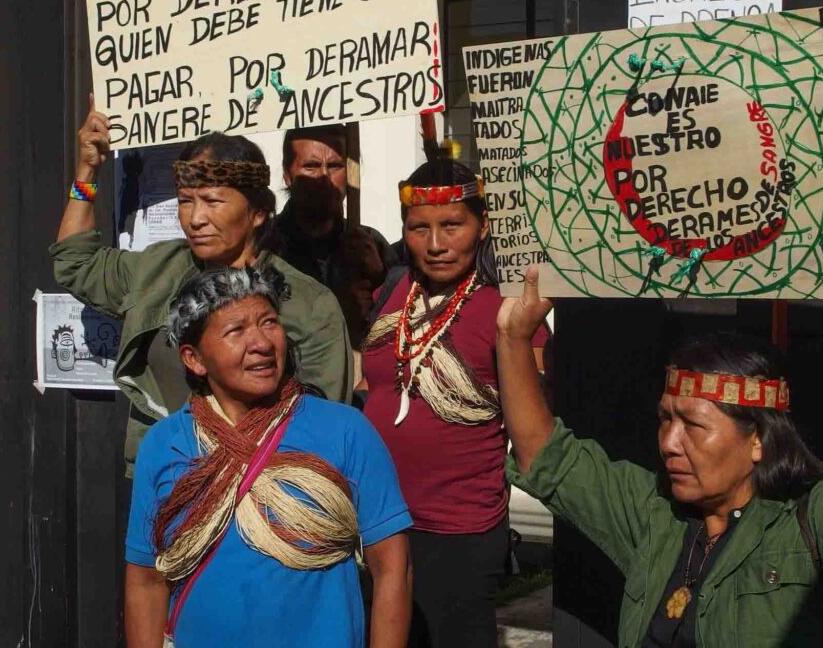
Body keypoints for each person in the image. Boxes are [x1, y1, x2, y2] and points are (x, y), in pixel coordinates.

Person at [497, 268, 823, 647]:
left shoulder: (812, 523)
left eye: (694, 425)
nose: (670, 442)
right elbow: (546, 460)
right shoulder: (655, 514)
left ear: (758, 440)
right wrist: (513, 337)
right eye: (665, 420)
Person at [51, 99, 353, 475]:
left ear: (258, 213)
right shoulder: (158, 268)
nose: (195, 218)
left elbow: (328, 427)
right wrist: (87, 172)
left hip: (266, 492)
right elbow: (74, 263)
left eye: (212, 201)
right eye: (185, 201)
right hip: (167, 479)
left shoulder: (309, 303)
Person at [124, 266, 412, 648]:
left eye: (269, 323)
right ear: (194, 359)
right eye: (236, 331)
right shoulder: (165, 445)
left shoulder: (345, 431)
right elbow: (146, 583)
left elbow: (394, 568)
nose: (261, 342)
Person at [361, 159, 549, 648]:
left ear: (483, 226)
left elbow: (536, 421)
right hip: (379, 521)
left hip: (458, 531)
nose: (436, 244)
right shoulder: (394, 291)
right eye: (419, 228)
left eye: (452, 226)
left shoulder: (509, 310)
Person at [276, 124, 399, 347]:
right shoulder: (266, 246)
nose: (324, 177)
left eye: (335, 165)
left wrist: (381, 280)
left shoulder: (372, 245)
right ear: (287, 175)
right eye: (311, 166)